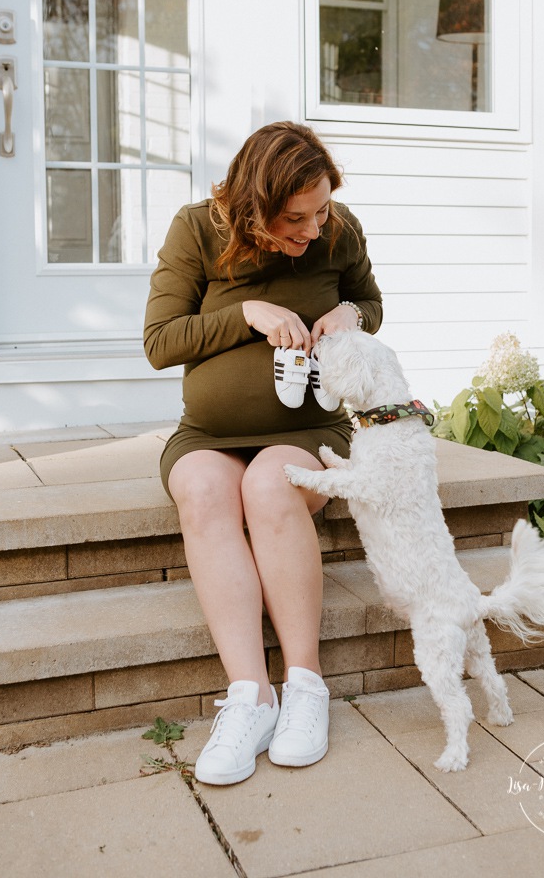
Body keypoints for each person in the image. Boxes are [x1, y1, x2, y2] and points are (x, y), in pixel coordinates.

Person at [144, 120, 382, 786]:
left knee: (270, 488)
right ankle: (250, 697)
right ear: (251, 207)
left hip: (311, 432)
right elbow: (160, 341)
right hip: (209, 434)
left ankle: (305, 686)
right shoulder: (196, 229)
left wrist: (350, 317)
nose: (311, 229)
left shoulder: (338, 230)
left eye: (321, 210)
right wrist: (245, 311)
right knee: (203, 490)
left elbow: (368, 299)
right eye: (293, 219)